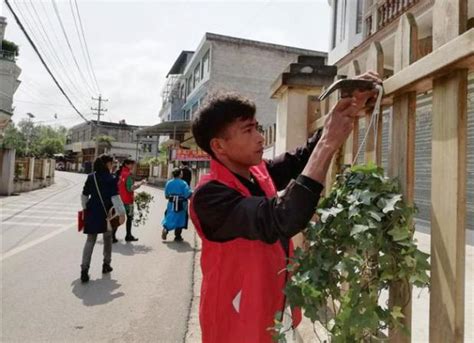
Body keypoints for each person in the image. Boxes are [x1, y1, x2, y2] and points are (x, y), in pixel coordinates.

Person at [189, 71, 381, 342]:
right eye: (248, 130)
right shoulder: (209, 197)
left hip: (271, 307)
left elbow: (300, 160)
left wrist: (344, 110)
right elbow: (282, 218)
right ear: (219, 146)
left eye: (257, 127)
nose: (259, 137)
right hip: (235, 320)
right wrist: (328, 143)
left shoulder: (256, 173)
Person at [80, 154, 126, 283]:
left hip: (92, 212)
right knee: (107, 239)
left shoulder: (91, 177)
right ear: (107, 164)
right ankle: (106, 264)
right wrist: (122, 213)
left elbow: (84, 195)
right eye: (112, 163)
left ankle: (84, 269)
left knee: (90, 240)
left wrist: (85, 208)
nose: (113, 166)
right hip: (107, 213)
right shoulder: (111, 178)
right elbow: (115, 197)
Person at [114, 159, 146, 243]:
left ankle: (112, 236)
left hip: (119, 200)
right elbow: (130, 188)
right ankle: (128, 235)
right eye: (131, 164)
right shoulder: (128, 175)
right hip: (128, 201)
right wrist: (140, 183)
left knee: (118, 218)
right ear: (126, 165)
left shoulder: (120, 173)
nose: (132, 166)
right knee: (129, 218)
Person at [161, 168, 192, 242]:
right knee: (180, 218)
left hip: (171, 203)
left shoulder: (169, 183)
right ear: (180, 174)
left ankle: (166, 229)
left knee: (170, 216)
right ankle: (177, 236)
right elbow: (187, 194)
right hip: (181, 203)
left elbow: (166, 195)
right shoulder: (183, 183)